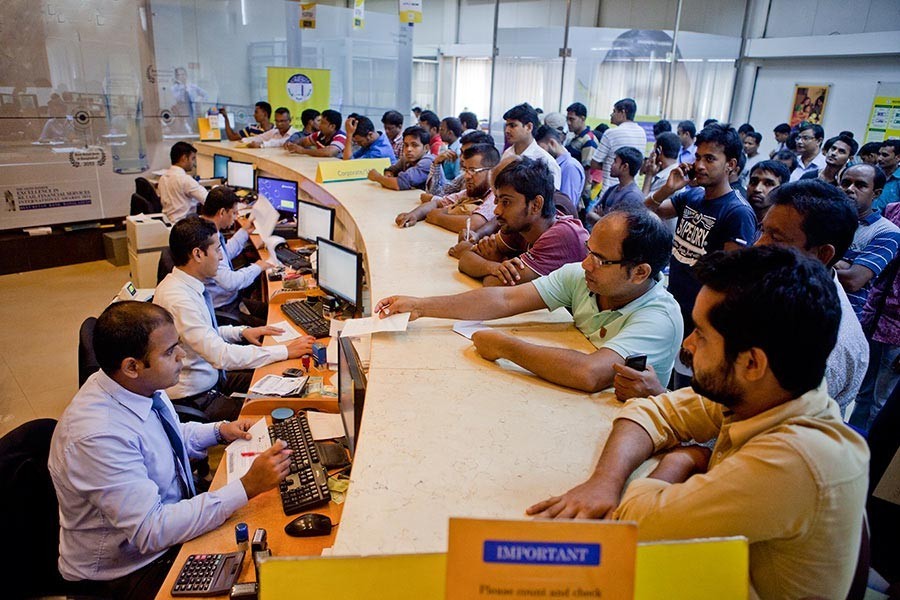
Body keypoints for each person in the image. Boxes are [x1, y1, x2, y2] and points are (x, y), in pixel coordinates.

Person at [527, 245, 868, 600]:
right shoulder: (767, 391)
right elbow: (652, 411)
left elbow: (636, 525)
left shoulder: (795, 460)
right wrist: (605, 481)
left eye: (701, 335)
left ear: (752, 364)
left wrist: (677, 462)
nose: (688, 345)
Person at [48, 301, 293, 599]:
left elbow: (167, 436)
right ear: (132, 366)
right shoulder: (97, 436)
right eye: (169, 352)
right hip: (128, 572)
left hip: (164, 526)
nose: (181, 356)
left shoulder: (136, 386)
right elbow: (152, 530)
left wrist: (218, 431)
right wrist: (247, 486)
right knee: (264, 574)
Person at [376, 206, 682, 392]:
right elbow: (505, 299)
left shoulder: (658, 318)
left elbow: (590, 374)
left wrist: (506, 347)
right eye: (589, 250)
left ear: (640, 272)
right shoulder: (582, 276)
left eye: (600, 260)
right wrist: (421, 306)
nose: (586, 264)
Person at [153, 217, 315, 420]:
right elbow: (220, 355)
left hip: (213, 377)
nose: (221, 257)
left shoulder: (184, 285)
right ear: (198, 254)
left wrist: (242, 332)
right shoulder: (179, 300)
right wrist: (285, 350)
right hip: (198, 396)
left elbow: (203, 333)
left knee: (279, 376)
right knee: (278, 412)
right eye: (217, 250)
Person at [645, 123, 757, 343]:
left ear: (731, 165)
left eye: (710, 159)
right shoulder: (693, 196)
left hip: (702, 316)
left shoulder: (738, 212)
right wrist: (668, 188)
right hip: (674, 304)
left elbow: (731, 279)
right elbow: (646, 212)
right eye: (698, 157)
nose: (700, 165)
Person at [455, 157, 588, 287]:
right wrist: (494, 267)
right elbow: (466, 258)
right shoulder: (521, 225)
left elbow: (493, 282)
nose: (497, 211)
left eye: (506, 202)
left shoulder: (562, 235)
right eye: (498, 201)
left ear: (536, 204)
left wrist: (497, 262)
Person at [198, 187, 272, 326]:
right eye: (234, 212)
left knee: (274, 310)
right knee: (272, 324)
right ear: (222, 212)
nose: (236, 216)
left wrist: (244, 232)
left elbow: (225, 253)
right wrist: (257, 267)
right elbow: (230, 282)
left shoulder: (205, 228)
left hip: (229, 299)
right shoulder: (206, 239)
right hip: (223, 307)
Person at [836, 163, 900, 317]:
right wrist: (841, 264)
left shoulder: (887, 231)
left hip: (843, 315)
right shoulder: (824, 219)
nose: (850, 189)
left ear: (876, 193)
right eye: (845, 183)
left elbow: (853, 281)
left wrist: (813, 262)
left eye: (860, 185)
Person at [395, 143, 499, 232]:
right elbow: (437, 203)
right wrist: (414, 215)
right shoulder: (470, 192)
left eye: (473, 170)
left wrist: (438, 218)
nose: (467, 176)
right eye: (465, 170)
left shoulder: (495, 196)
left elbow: (473, 224)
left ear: (493, 172)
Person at [501, 103, 562, 190]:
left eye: (512, 126)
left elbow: (552, 196)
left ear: (529, 127)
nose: (507, 130)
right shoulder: (507, 154)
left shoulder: (546, 161)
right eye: (506, 125)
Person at [591, 98, 648, 188]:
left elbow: (594, 163)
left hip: (610, 189)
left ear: (623, 112)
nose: (611, 115)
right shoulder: (642, 133)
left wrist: (610, 167)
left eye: (614, 111)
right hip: (631, 190)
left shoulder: (611, 133)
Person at [586, 146, 644, 228]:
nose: (611, 165)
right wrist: (604, 219)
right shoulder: (612, 189)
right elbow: (590, 214)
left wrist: (602, 218)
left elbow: (617, 227)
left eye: (615, 161)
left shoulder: (632, 196)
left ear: (625, 166)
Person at [367, 126, 436, 191]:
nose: (409, 149)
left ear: (426, 148)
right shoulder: (407, 158)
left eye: (414, 145)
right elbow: (391, 169)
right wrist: (389, 174)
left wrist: (378, 177)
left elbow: (399, 184)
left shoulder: (428, 162)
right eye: (406, 145)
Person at [535, 124, 584, 211]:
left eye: (542, 148)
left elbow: (566, 205)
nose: (540, 153)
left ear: (552, 143)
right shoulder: (557, 165)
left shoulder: (569, 167)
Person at [158, 141, 207, 223]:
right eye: (192, 158)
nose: (194, 163)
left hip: (168, 223)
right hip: (185, 224)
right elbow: (208, 200)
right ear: (184, 158)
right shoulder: (185, 180)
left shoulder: (163, 178)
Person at [745, 159, 790, 223]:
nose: (757, 189)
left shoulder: (784, 225)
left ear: (781, 189)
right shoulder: (735, 214)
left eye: (768, 184)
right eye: (753, 182)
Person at [874, 139, 900, 212]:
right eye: (879, 154)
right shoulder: (873, 174)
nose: (879, 158)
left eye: (885, 155)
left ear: (898, 157)